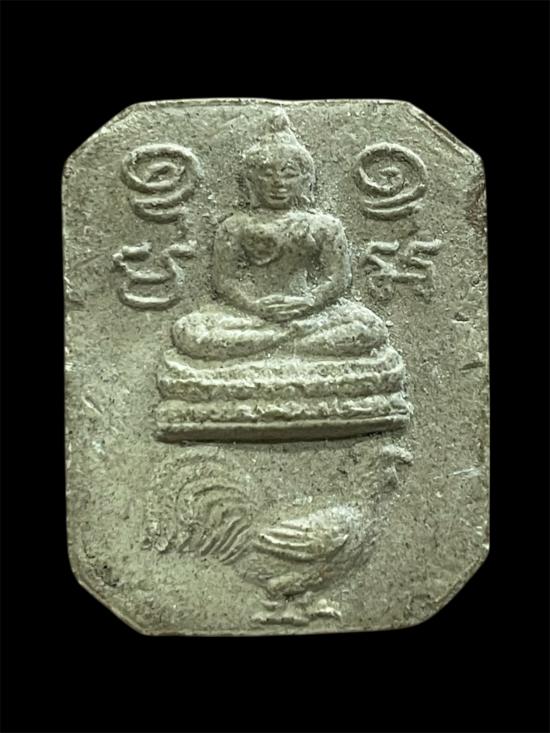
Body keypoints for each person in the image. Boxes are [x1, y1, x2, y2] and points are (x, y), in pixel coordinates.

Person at [172, 110, 389, 362]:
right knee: (189, 331)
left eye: (289, 173)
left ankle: (270, 343)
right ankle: (289, 341)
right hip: (250, 314)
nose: (278, 182)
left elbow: (339, 279)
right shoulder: (235, 226)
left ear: (305, 179)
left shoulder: (324, 226)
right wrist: (254, 305)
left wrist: (309, 302)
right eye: (267, 173)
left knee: (369, 327)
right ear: (251, 180)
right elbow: (224, 281)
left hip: (310, 312)